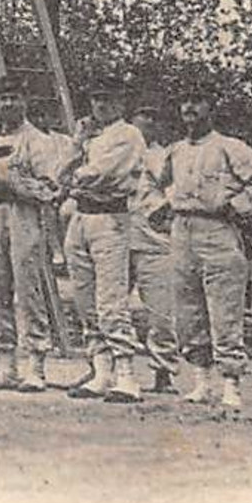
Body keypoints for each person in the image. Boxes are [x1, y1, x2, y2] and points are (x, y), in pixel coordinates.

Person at [153, 86, 252, 411]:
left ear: (210, 107)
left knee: (224, 307)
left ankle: (231, 384)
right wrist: (158, 207)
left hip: (218, 230)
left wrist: (237, 206)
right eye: (185, 101)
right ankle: (201, 381)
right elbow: (150, 181)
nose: (190, 107)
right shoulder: (176, 151)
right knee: (188, 308)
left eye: (197, 100)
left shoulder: (227, 147)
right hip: (182, 230)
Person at [0, 76, 78, 392]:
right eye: (3, 99)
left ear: (25, 101)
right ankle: (5, 364)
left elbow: (51, 188)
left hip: (24, 216)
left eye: (14, 98)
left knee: (27, 288)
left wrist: (16, 186)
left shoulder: (38, 141)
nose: (8, 104)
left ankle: (35, 365)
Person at [62, 78, 146, 403]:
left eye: (108, 99)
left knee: (111, 299)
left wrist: (73, 176)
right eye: (96, 99)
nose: (100, 106)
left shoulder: (128, 134)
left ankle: (127, 376)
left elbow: (98, 173)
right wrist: (77, 145)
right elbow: (61, 171)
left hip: (110, 217)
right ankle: (101, 371)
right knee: (85, 300)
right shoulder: (88, 137)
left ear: (121, 103)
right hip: (81, 217)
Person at [127, 100, 183, 393]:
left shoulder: (165, 156)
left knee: (160, 312)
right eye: (143, 114)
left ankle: (163, 372)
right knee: (105, 307)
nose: (148, 121)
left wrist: (161, 212)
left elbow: (176, 196)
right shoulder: (116, 150)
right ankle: (102, 370)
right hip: (116, 238)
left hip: (154, 243)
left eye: (154, 117)